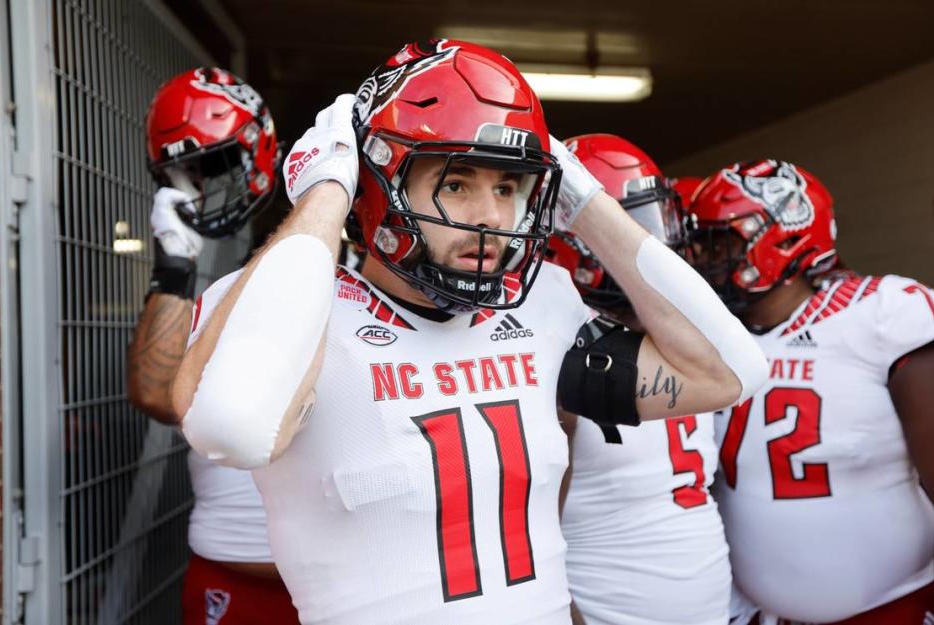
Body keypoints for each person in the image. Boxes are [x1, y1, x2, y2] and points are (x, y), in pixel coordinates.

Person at [172, 40, 767, 625]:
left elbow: (728, 371)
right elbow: (235, 431)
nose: (492, 218)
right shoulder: (287, 305)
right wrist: (329, 189)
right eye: (457, 184)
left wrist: (583, 197)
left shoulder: (542, 309)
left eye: (508, 188)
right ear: (378, 183)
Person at [689, 159, 934, 624]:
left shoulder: (878, 314)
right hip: (759, 613)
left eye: (721, 242)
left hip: (894, 609)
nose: (704, 259)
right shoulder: (708, 337)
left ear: (783, 237)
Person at [128, 67, 297, 624]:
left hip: (336, 579)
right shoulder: (195, 282)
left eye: (216, 167)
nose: (203, 187)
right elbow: (156, 393)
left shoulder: (341, 264)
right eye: (186, 173)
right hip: (228, 577)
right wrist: (174, 267)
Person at [547, 133, 731, 625]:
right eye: (630, 228)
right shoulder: (557, 346)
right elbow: (531, 540)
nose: (656, 246)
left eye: (658, 222)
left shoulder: (684, 335)